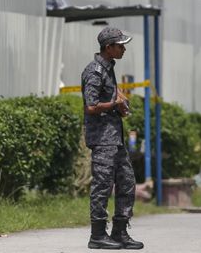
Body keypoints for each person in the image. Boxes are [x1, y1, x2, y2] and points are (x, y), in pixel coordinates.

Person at [81, 27, 144, 250]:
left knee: (127, 183)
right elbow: (90, 106)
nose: (124, 49)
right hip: (102, 139)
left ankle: (120, 232)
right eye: (120, 45)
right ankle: (98, 235)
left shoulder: (108, 69)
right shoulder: (94, 71)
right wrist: (113, 104)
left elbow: (107, 97)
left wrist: (120, 102)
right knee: (102, 186)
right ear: (108, 48)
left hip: (115, 138)